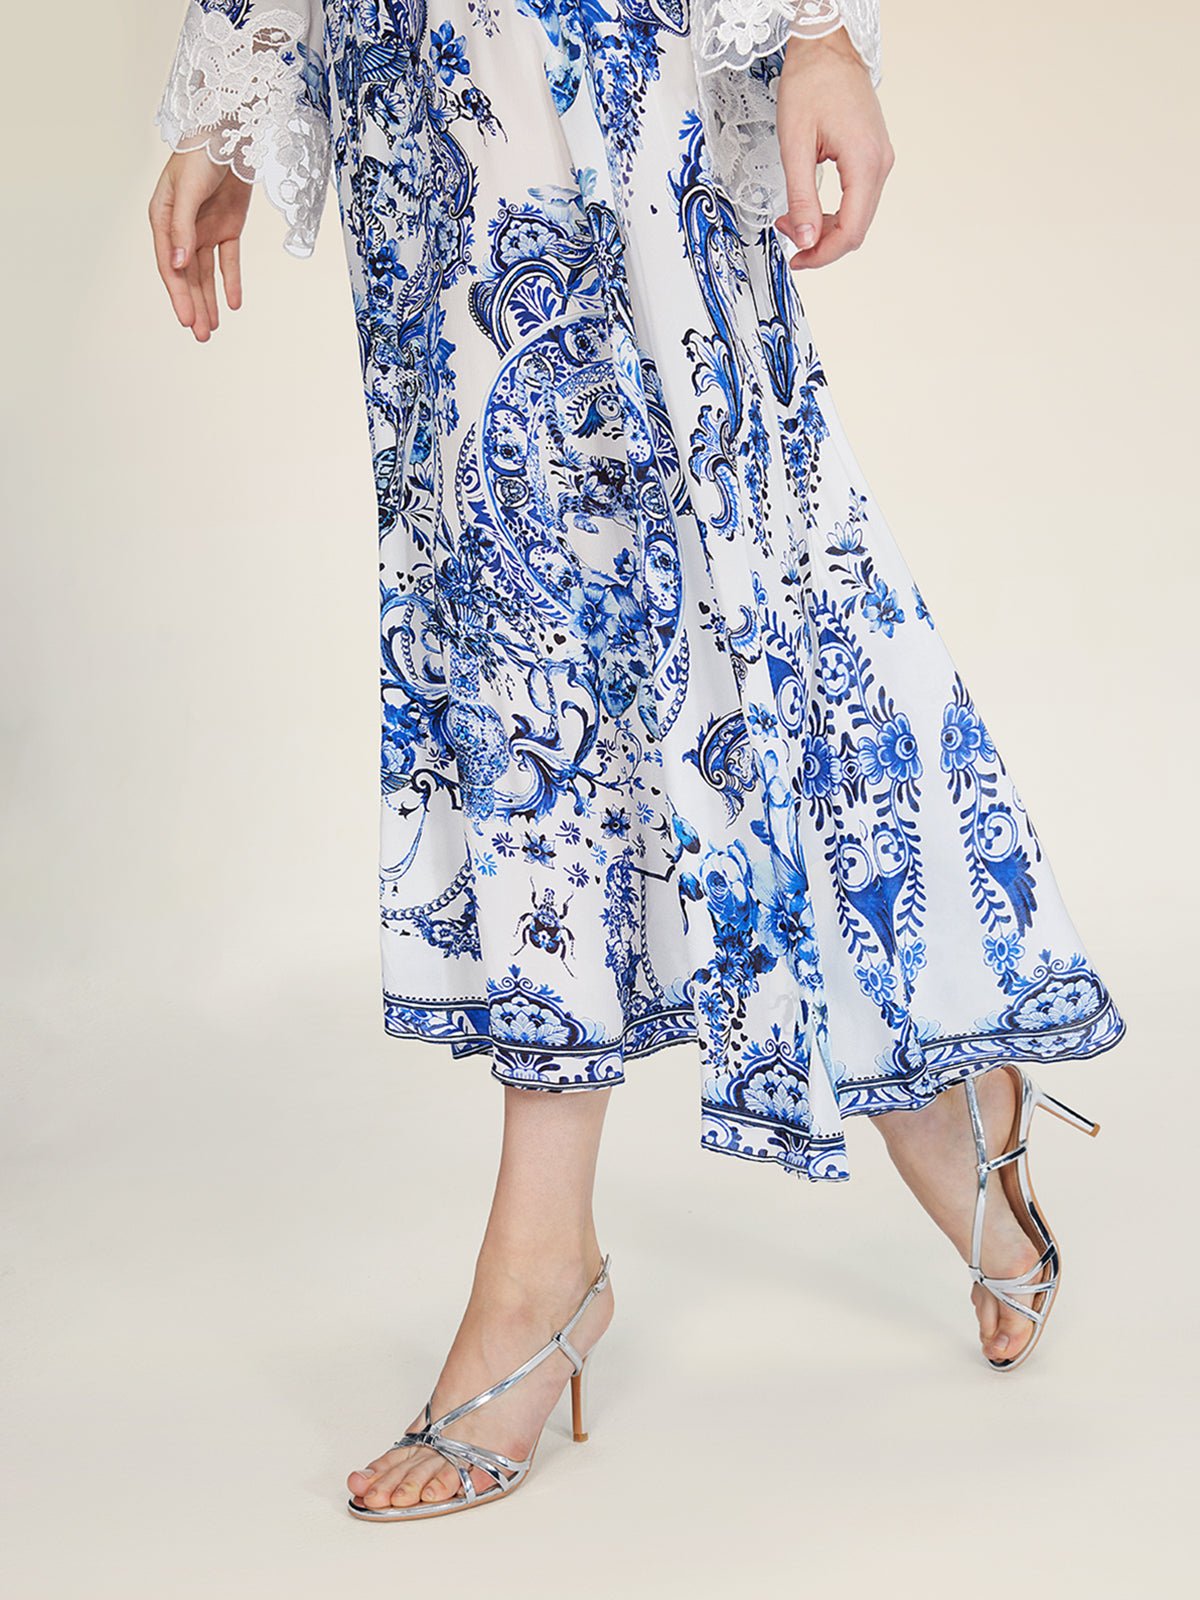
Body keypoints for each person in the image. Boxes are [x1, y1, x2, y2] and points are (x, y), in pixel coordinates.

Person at [148, 1, 1126, 1521]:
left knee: (749, 600)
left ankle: (917, 1085)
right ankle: (589, 1244)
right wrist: (230, 98)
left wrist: (813, 30)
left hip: (606, 63)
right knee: (511, 651)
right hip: (417, 88)